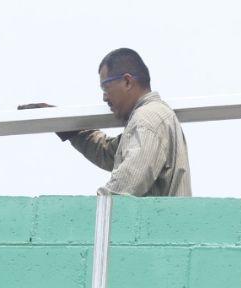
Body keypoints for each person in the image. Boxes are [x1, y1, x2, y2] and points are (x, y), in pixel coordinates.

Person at [21, 48, 191, 196]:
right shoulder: (151, 118)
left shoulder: (147, 119)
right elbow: (108, 152)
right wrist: (66, 126)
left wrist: (84, 216)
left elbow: (127, 182)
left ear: (127, 81)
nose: (104, 97)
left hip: (155, 232)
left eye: (105, 87)